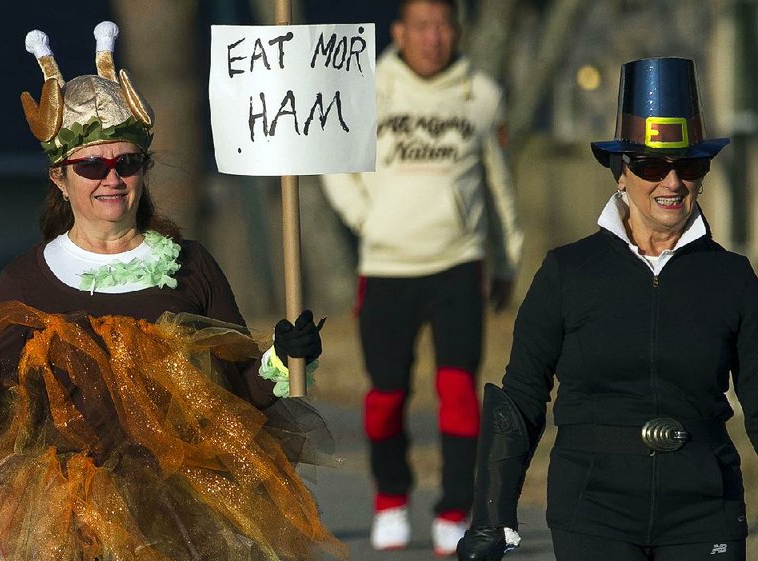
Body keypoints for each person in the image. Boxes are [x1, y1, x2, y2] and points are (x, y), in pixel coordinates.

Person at [0, 21, 346, 561]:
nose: (111, 179)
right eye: (92, 164)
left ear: (143, 169)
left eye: (127, 162)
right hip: (68, 521)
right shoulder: (25, 280)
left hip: (182, 516)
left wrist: (284, 358)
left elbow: (240, 394)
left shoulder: (192, 267)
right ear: (59, 178)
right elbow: (2, 410)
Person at [458, 56, 757, 561]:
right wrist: (492, 516)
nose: (671, 182)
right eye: (650, 165)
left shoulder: (733, 278)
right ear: (620, 172)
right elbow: (522, 399)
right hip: (593, 509)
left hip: (705, 507)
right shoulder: (566, 273)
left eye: (688, 165)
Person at [321, 0, 523, 555]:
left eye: (443, 26)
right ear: (400, 32)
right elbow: (336, 168)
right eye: (422, 27)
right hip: (387, 266)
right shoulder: (366, 89)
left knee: (458, 392)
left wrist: (508, 258)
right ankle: (390, 496)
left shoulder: (480, 94)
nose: (433, 38)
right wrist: (372, 221)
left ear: (455, 31)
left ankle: (455, 508)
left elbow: (497, 182)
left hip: (459, 261)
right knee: (385, 396)